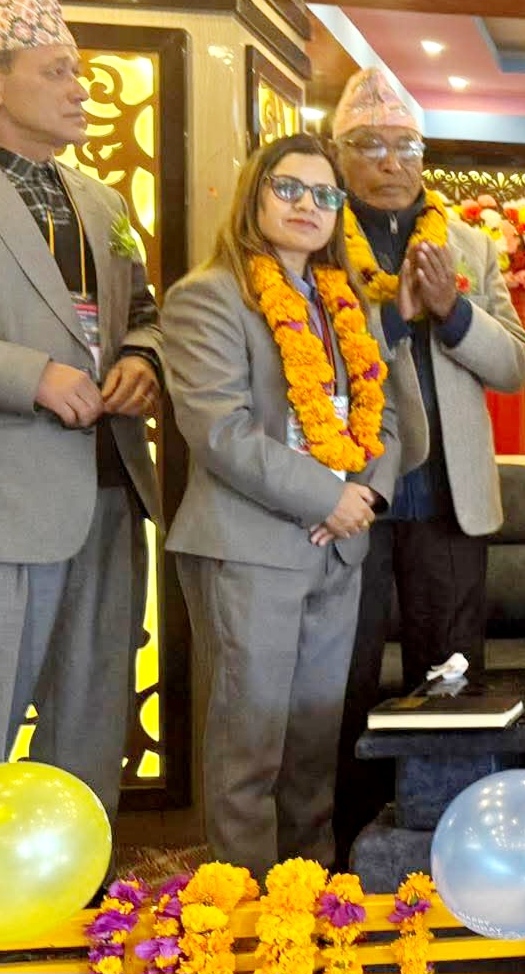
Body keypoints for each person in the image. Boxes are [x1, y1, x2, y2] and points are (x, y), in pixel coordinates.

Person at [0, 0, 163, 827]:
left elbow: (143, 312)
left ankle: (78, 893)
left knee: (91, 729)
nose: (82, 89)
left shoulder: (100, 200)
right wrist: (25, 373)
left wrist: (143, 357)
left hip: (110, 490)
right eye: (57, 70)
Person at [163, 134, 406, 877]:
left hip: (338, 546)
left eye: (325, 194)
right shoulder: (209, 295)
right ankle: (242, 912)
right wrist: (328, 496)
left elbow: (389, 417)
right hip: (251, 545)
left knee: (312, 749)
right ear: (254, 195)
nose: (308, 205)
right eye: (289, 188)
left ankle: (308, 898)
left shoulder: (345, 302)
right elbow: (220, 431)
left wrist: (365, 494)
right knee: (250, 749)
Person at [330, 67, 525, 861]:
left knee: (450, 682)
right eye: (369, 145)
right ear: (338, 155)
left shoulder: (470, 245)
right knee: (341, 683)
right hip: (348, 495)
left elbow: (514, 363)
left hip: (450, 494)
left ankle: (450, 846)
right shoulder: (317, 235)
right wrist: (390, 312)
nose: (391, 162)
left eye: (407, 146)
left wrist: (453, 311)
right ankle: (344, 852)